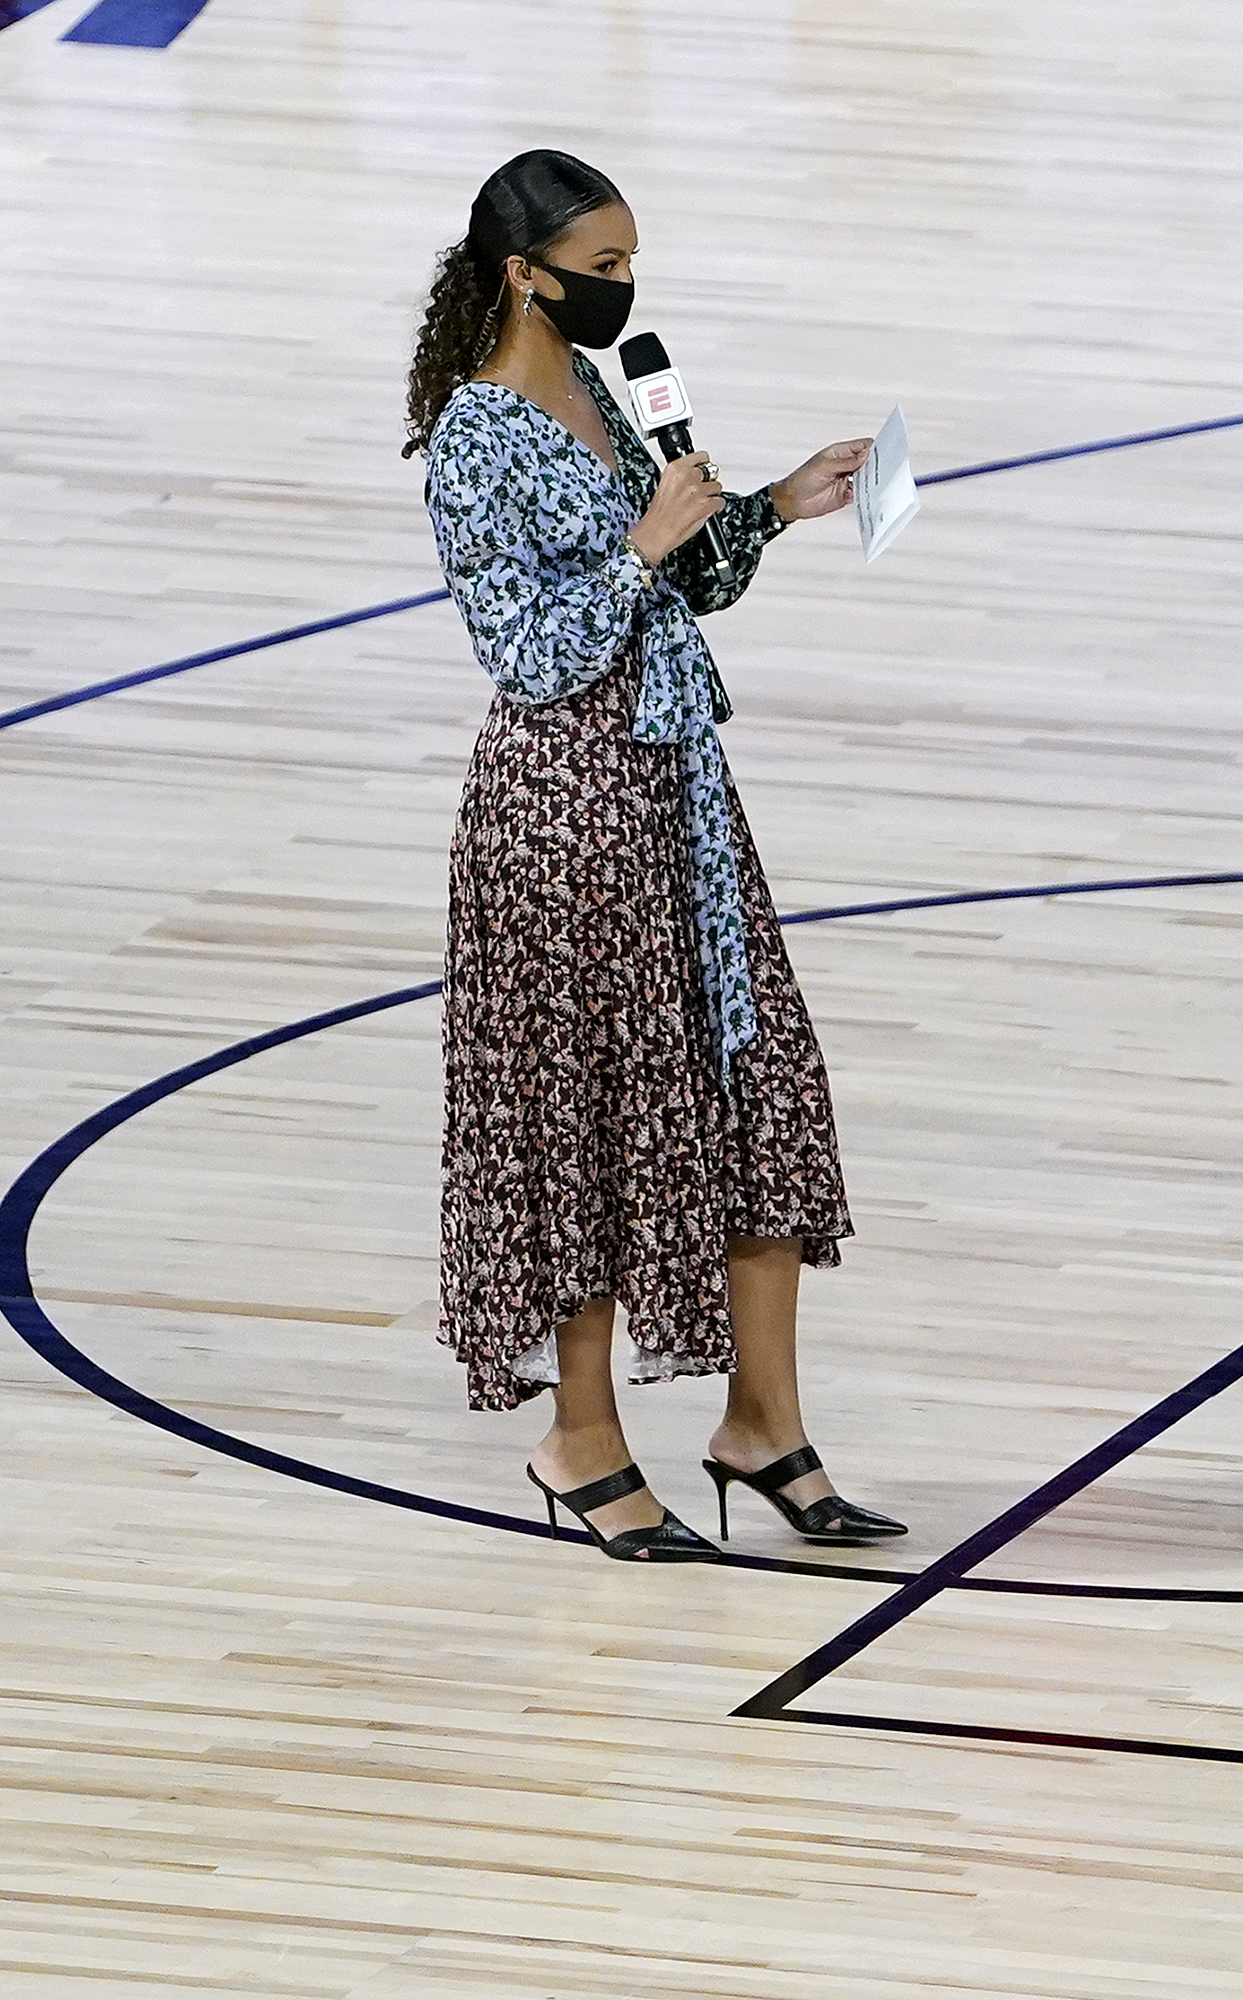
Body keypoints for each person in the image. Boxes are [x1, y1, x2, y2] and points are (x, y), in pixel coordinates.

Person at [400, 149, 904, 1562]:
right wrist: (642, 547)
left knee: (756, 1092)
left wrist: (769, 509)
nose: (624, 291)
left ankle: (765, 1427)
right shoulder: (477, 437)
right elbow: (528, 654)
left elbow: (693, 582)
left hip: (674, 790)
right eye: (602, 269)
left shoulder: (600, 388)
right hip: (563, 816)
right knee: (595, 1127)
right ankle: (580, 1437)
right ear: (523, 271)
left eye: (631, 267)